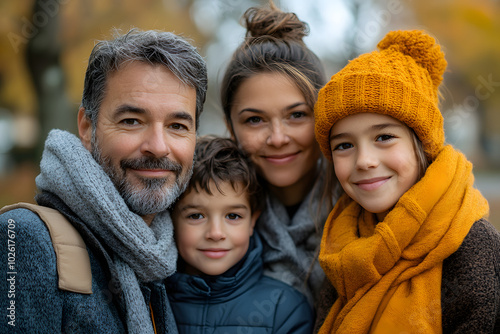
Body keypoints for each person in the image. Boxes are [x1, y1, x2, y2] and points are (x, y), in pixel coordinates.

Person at [0, 28, 207, 333]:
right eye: (132, 121)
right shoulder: (25, 239)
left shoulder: (169, 255)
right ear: (86, 127)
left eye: (177, 125)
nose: (159, 146)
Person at [313, 29, 500, 333]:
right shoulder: (340, 247)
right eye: (344, 145)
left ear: (423, 145)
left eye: (384, 137)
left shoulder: (470, 245)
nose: (364, 160)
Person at [220, 0, 336, 308]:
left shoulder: (367, 204)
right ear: (230, 127)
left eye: (297, 115)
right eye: (254, 120)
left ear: (323, 116)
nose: (277, 138)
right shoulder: (204, 218)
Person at [166, 136, 314, 333]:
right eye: (196, 216)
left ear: (253, 221)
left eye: (233, 216)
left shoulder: (284, 308)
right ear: (171, 220)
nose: (215, 233)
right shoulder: (151, 297)